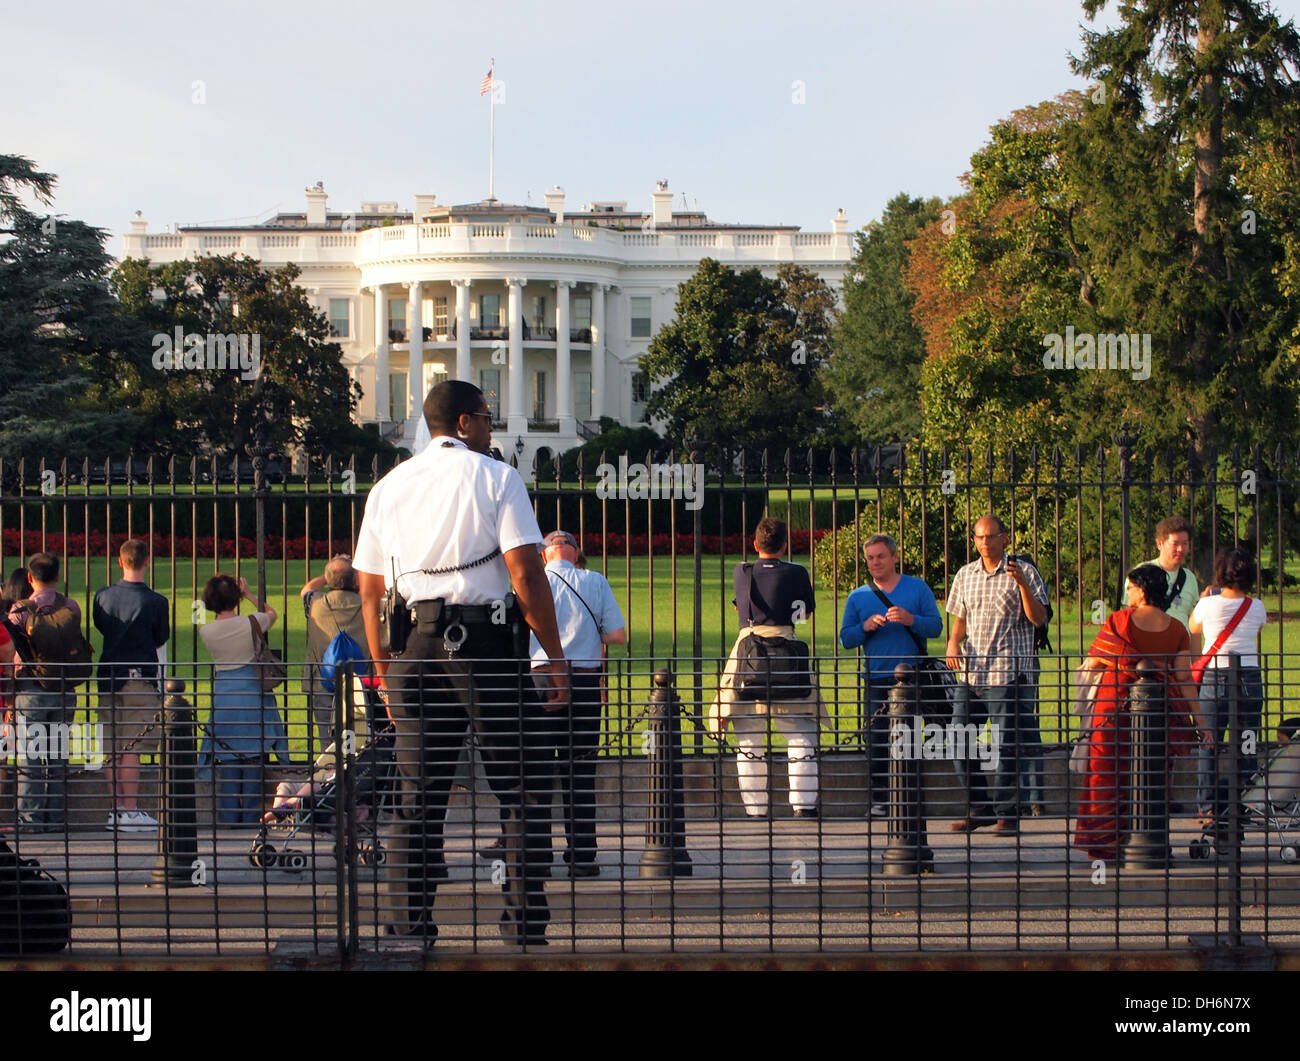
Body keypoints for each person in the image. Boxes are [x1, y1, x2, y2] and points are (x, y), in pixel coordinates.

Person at [354, 380, 568, 949]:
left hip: (414, 649)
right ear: (466, 423)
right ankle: (523, 925)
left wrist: (383, 670)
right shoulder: (496, 477)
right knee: (519, 787)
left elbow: (370, 593)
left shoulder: (389, 486)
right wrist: (554, 656)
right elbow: (525, 575)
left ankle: (407, 928)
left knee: (416, 796)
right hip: (486, 646)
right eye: (487, 418)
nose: (493, 428)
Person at [1073, 564, 1211, 860]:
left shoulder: (1118, 621)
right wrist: (1203, 725)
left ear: (1143, 589)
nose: (1128, 593)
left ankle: (1106, 846)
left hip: (1113, 712)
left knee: (1106, 777)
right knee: (1151, 776)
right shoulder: (1176, 629)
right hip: (1158, 714)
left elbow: (1094, 663)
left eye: (1131, 588)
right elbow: (1184, 679)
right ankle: (1149, 843)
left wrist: (1126, 664)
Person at [709, 517, 825, 818]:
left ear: (755, 544)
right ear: (785, 545)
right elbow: (803, 616)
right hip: (787, 652)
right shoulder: (797, 572)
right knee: (801, 735)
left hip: (748, 655)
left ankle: (756, 808)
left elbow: (741, 606)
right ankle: (804, 804)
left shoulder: (742, 570)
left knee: (748, 739)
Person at [527, 529, 626, 876]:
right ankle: (582, 856)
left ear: (544, 554)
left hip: (539, 679)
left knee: (535, 771)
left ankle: (536, 856)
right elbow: (617, 635)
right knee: (579, 772)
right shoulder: (595, 582)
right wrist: (586, 633)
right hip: (583, 681)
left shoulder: (529, 582)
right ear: (575, 553)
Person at [944, 515, 1048, 836]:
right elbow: (960, 619)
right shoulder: (966, 574)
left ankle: (1007, 813)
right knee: (959, 740)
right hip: (972, 672)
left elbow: (1039, 618)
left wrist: (1022, 585)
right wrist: (952, 643)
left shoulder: (1025, 572)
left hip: (1007, 671)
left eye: (991, 537)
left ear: (1005, 538)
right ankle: (980, 808)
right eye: (979, 537)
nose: (985, 543)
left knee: (1005, 745)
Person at [839, 533, 943, 817]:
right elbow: (845, 638)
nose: (875, 562)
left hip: (913, 680)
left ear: (895, 557)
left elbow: (936, 627)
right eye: (870, 558)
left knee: (908, 740)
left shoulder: (917, 588)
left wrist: (911, 620)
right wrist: (864, 628)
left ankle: (909, 798)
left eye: (881, 556)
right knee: (876, 740)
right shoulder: (858, 596)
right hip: (876, 679)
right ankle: (881, 799)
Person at [197, 574, 288, 825]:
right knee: (253, 757)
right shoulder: (252, 622)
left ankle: (228, 821)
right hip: (252, 692)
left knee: (227, 758)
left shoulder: (207, 631)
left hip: (225, 695)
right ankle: (250, 819)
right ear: (235, 598)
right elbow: (272, 612)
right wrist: (248, 594)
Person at [93, 539, 170, 832]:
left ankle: (116, 809)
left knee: (112, 745)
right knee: (132, 746)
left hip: (109, 674)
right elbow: (159, 639)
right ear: (147, 561)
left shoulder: (102, 596)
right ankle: (130, 809)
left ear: (120, 561)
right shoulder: (156, 601)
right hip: (139, 677)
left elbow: (102, 625)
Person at [1188, 547, 1268, 823]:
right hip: (1248, 677)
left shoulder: (1207, 605)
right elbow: (1255, 630)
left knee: (1209, 741)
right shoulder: (1257, 607)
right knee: (1246, 739)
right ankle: (1246, 799)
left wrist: (1204, 598)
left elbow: (1194, 628)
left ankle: (1207, 806)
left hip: (1215, 676)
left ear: (1220, 572)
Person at [7, 553, 82, 833]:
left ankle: (31, 819)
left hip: (31, 690)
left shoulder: (19, 610)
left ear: (30, 577)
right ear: (58, 576)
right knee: (59, 755)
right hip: (64, 689)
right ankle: (57, 817)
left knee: (32, 757)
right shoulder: (71, 607)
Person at [300, 554, 368, 753]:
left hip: (323, 681)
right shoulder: (366, 603)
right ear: (355, 580)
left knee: (327, 746)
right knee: (360, 742)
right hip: (361, 682)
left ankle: (330, 778)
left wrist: (328, 575)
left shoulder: (315, 603)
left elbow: (307, 589)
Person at [1127, 515, 1200, 653]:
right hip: (1148, 655)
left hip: (1180, 656)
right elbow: (1128, 614)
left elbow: (1194, 626)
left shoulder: (1190, 578)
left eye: (1185, 543)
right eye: (1175, 543)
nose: (1180, 549)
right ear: (1160, 544)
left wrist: (1197, 666)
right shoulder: (1141, 574)